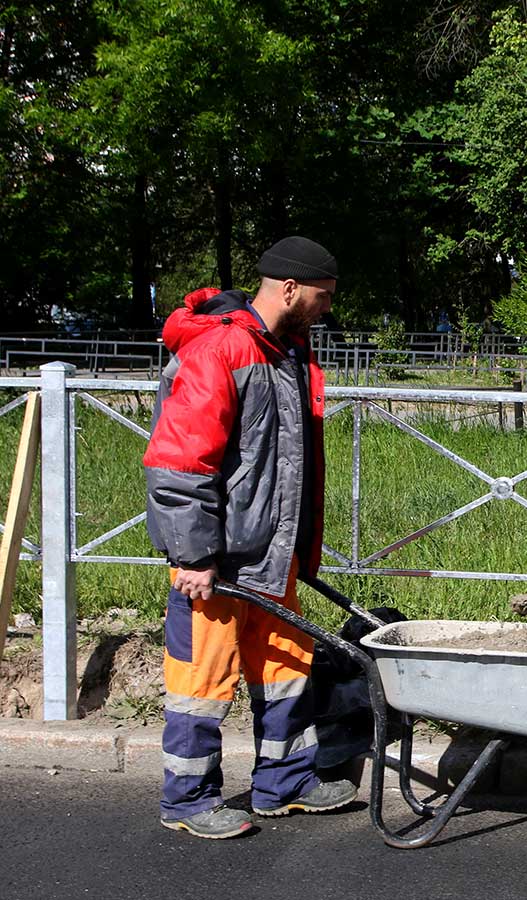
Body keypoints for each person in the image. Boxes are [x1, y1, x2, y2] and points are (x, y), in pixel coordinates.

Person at [144, 236, 357, 839]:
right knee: (201, 684)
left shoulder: (286, 353)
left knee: (286, 665)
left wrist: (297, 546)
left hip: (272, 553)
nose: (326, 308)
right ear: (289, 289)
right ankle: (187, 800)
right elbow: (180, 461)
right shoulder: (222, 350)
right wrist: (193, 554)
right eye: (323, 297)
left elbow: (285, 463)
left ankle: (282, 783)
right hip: (217, 562)